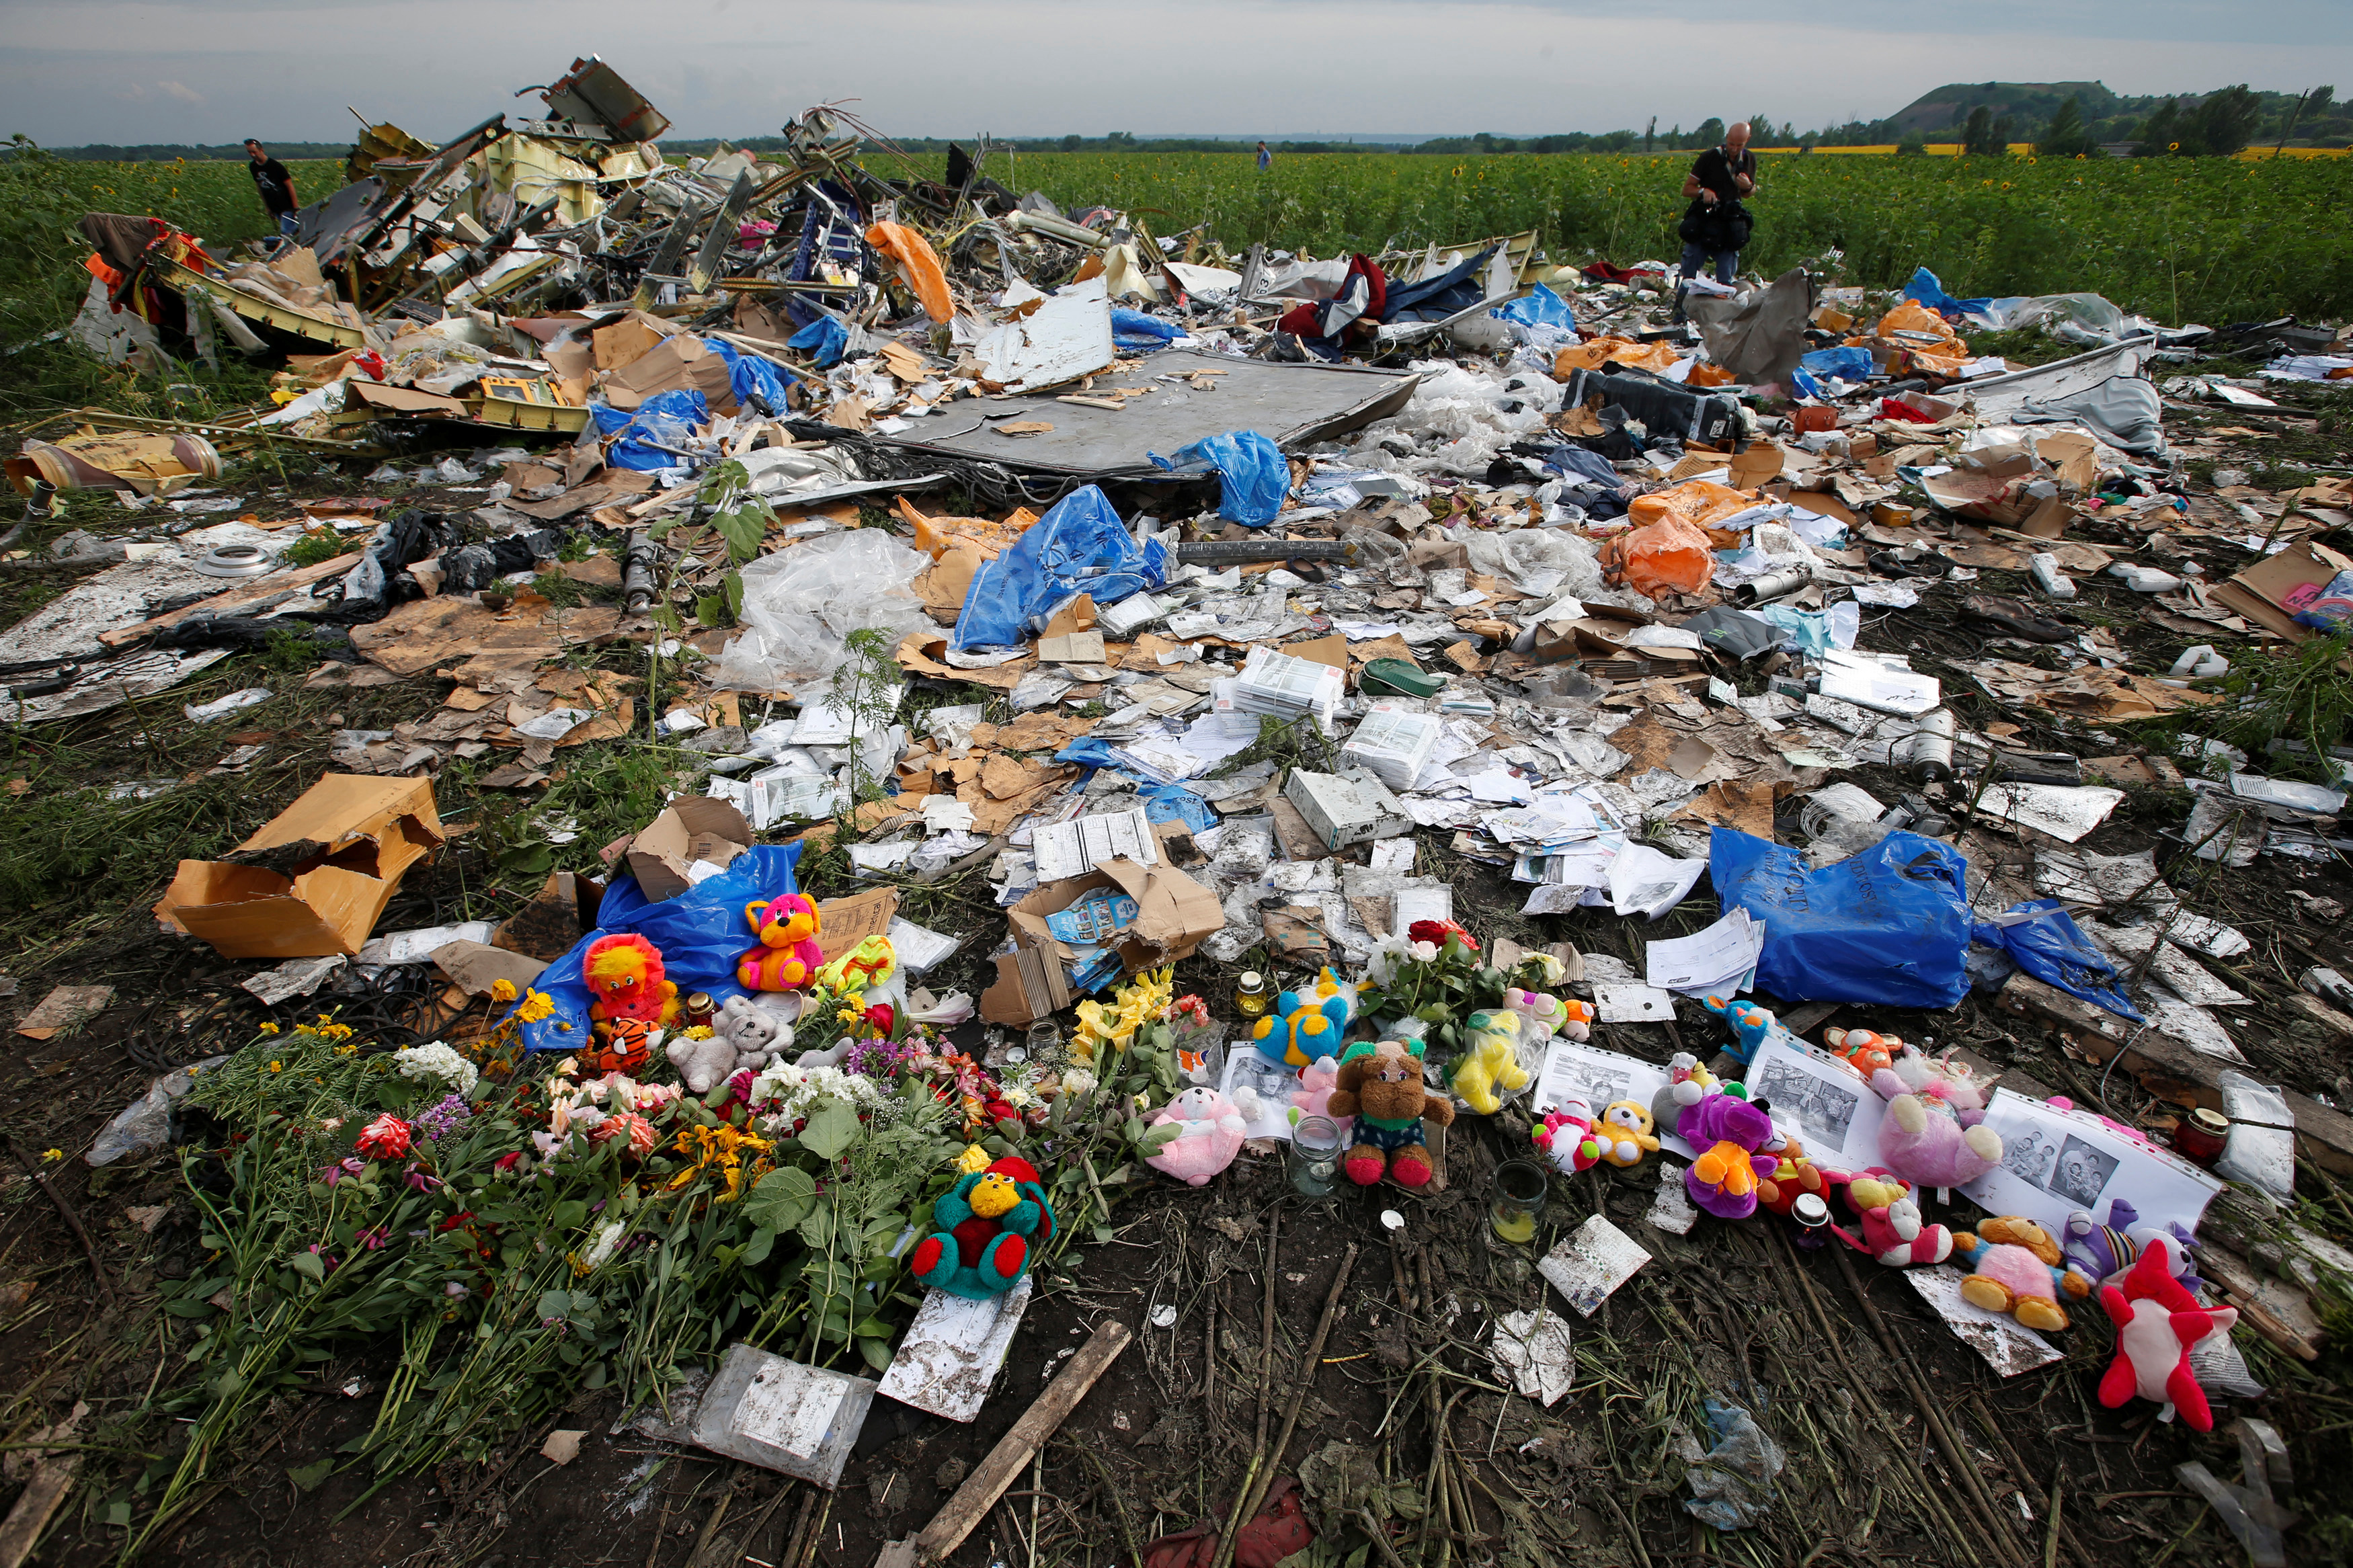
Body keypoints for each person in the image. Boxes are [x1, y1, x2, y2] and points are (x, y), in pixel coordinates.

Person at [1675, 121, 1755, 311]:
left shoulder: (1749, 159)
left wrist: (1748, 187)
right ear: (1727, 137)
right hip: (1705, 221)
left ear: (1747, 141)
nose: (1735, 149)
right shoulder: (1709, 157)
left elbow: (1749, 193)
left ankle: (1721, 317)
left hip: (1729, 225)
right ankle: (1680, 314)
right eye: (1732, 143)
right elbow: (1687, 189)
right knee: (1689, 276)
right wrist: (1704, 191)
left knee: (1725, 281)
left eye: (1740, 145)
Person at [244, 139, 299, 241]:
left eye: (254, 152)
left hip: (286, 205)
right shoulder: (253, 167)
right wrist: (268, 208)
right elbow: (259, 187)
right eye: (249, 152)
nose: (252, 155)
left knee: (287, 232)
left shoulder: (275, 166)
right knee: (288, 233)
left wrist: (296, 208)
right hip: (274, 206)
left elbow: (290, 186)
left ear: (261, 150)